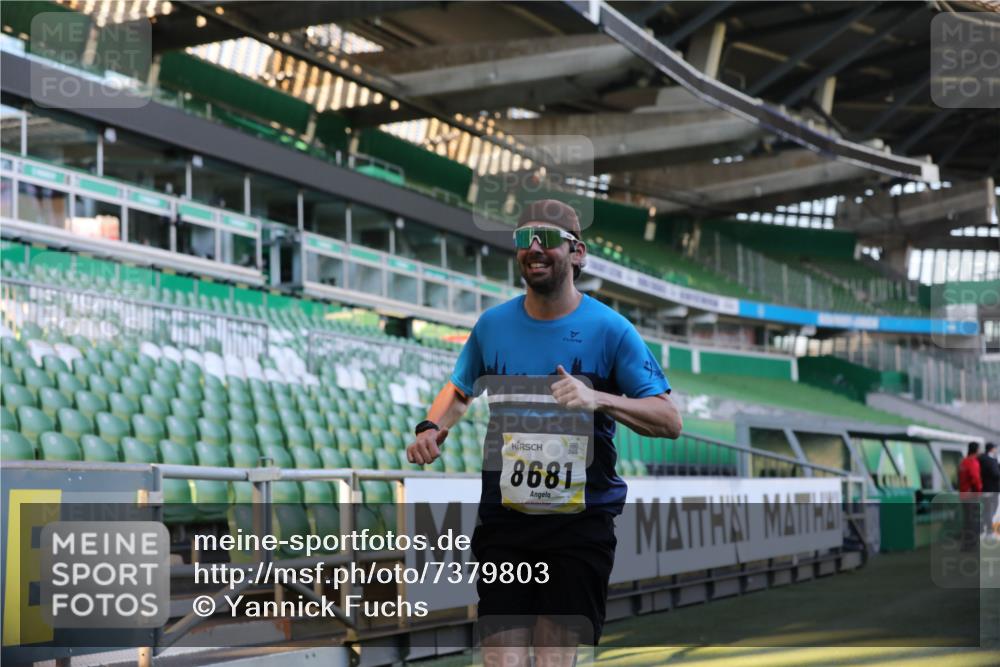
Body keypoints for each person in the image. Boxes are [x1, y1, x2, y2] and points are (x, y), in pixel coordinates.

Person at [406, 199, 682, 667]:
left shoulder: (611, 330)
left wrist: (599, 398)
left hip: (579, 523)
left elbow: (669, 419)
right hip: (506, 522)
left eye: (548, 239)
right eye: (523, 239)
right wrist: (433, 428)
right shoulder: (493, 326)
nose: (534, 248)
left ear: (578, 253)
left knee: (553, 657)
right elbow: (459, 388)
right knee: (501, 659)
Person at [958, 442, 982, 551]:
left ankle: (966, 545)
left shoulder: (963, 462)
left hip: (963, 494)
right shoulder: (973, 462)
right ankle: (971, 545)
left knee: (967, 520)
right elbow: (975, 479)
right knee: (973, 520)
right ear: (976, 450)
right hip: (972, 495)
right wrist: (979, 491)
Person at [978, 443, 999, 539]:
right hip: (992, 489)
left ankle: (982, 529)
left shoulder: (979, 459)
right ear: (992, 449)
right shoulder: (991, 461)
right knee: (991, 511)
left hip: (982, 489)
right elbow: (996, 474)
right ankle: (988, 532)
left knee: (986, 510)